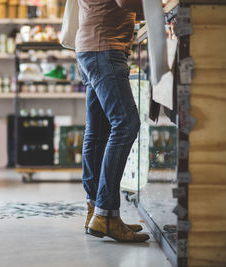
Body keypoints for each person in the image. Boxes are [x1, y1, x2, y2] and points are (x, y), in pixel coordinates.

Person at [75, 0, 149, 242]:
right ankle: (106, 215)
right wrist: (159, 8)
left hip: (90, 46)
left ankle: (96, 209)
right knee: (126, 124)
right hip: (104, 48)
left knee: (96, 132)